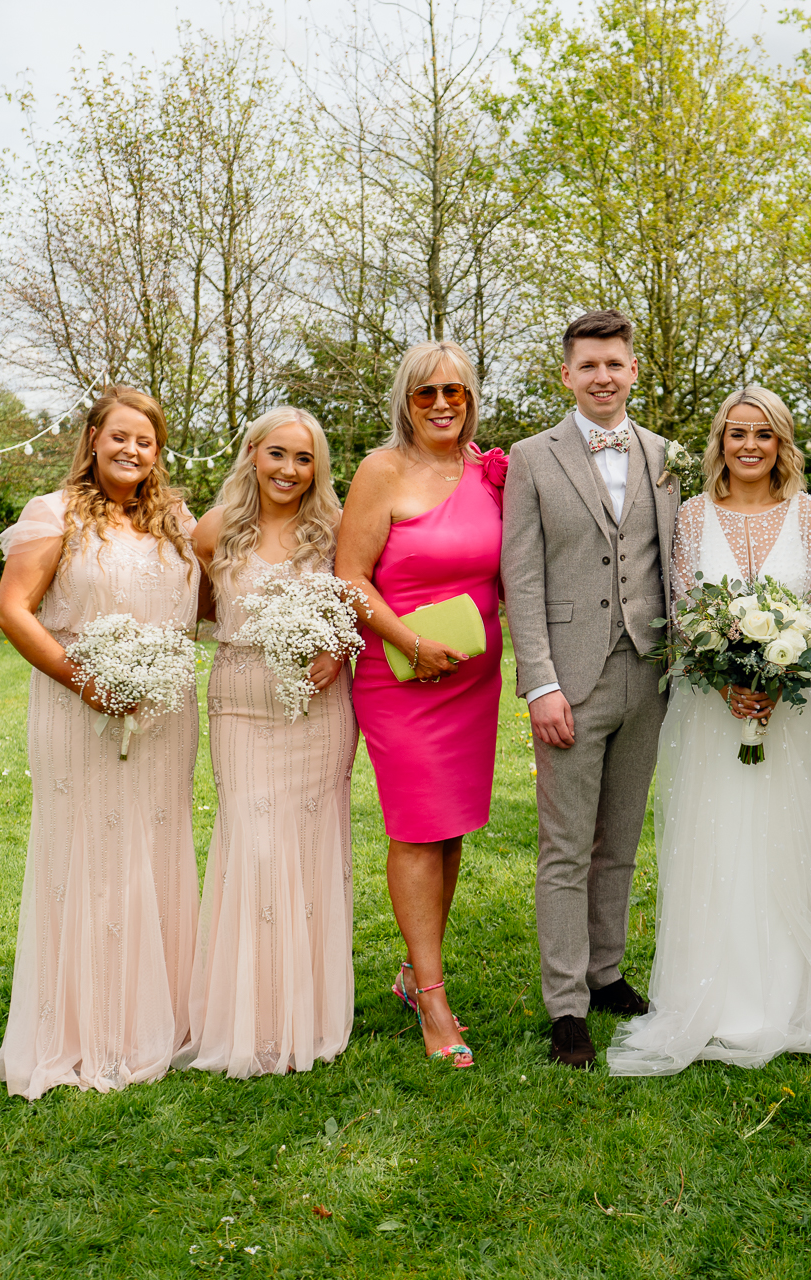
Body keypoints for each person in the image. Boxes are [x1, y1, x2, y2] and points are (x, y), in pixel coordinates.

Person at [605, 387, 811, 1076]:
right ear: (720, 443)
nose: (750, 446)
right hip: (712, 709)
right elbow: (683, 607)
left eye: (764, 434)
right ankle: (716, 996)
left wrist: (775, 674)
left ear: (781, 443)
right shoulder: (692, 517)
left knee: (787, 835)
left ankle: (791, 994)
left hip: (790, 710)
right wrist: (728, 676)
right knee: (717, 834)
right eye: (737, 435)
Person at [0, 386, 201, 1099]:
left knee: (154, 845)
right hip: (79, 709)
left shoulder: (174, 520)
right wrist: (86, 681)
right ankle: (83, 1032)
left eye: (145, 441)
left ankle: (159, 1020)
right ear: (92, 440)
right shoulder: (52, 515)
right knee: (88, 852)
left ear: (158, 452)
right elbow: (12, 610)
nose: (132, 451)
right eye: (119, 437)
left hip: (166, 713)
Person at [501, 309, 681, 1069]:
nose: (603, 377)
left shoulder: (666, 455)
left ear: (634, 371)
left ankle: (606, 972)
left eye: (615, 364)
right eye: (588, 366)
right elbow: (522, 573)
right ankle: (566, 1003)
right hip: (570, 680)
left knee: (622, 841)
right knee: (566, 848)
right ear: (566, 375)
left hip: (650, 672)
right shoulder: (532, 458)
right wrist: (540, 683)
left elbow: (678, 558)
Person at [335, 340, 506, 1069]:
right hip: (400, 676)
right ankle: (433, 998)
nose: (442, 404)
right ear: (406, 401)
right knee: (415, 828)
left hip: (472, 678)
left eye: (456, 393)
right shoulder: (382, 470)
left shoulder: (491, 471)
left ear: (471, 400)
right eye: (426, 393)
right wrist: (407, 642)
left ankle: (414, 970)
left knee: (452, 827)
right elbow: (349, 576)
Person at [183, 408, 359, 1078]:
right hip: (242, 708)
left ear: (318, 468)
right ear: (253, 453)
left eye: (304, 459)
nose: (289, 470)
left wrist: (338, 650)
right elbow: (195, 607)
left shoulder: (335, 530)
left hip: (320, 714)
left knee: (312, 849)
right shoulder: (215, 529)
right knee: (253, 847)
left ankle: (309, 1012)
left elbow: (359, 600)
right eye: (278, 454)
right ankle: (249, 1017)